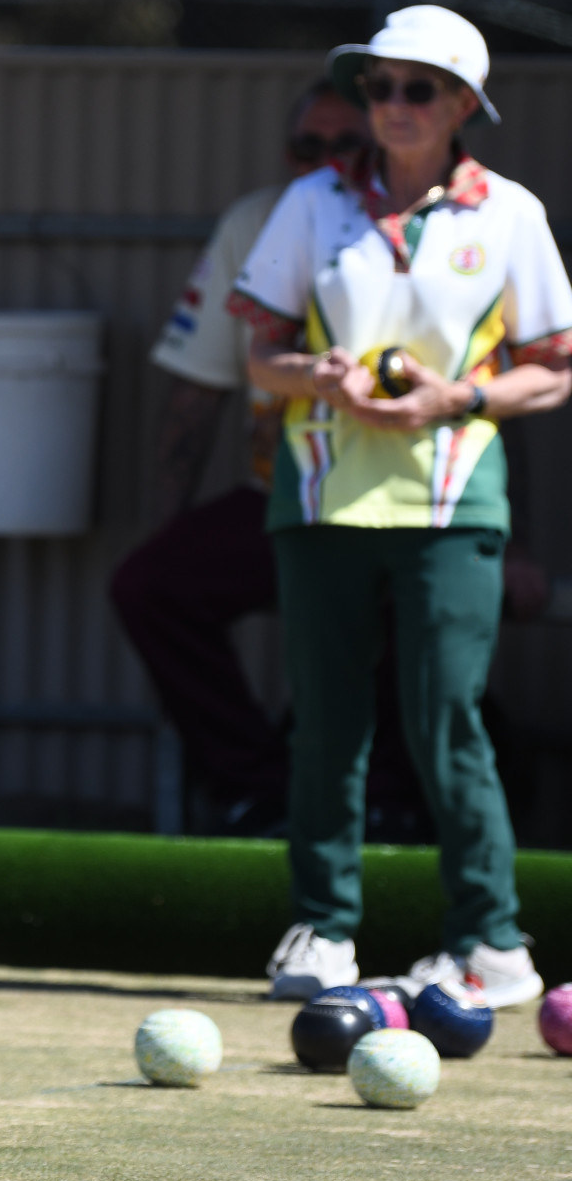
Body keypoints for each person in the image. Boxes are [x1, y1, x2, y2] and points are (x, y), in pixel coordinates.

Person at [229, 6, 572, 1006]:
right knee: (324, 724)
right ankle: (321, 931)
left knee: (442, 719)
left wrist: (453, 395)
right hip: (320, 497)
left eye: (416, 88)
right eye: (375, 86)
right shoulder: (307, 203)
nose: (390, 106)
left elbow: (551, 372)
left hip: (451, 503)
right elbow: (256, 355)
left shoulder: (506, 213)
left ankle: (489, 945)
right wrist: (317, 378)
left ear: (463, 103)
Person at [110, 81, 371, 835]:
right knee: (151, 583)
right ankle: (257, 789)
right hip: (278, 494)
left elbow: (482, 388)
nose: (324, 165)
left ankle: (382, 799)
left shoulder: (417, 226)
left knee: (406, 608)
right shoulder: (259, 224)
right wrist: (167, 524)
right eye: (306, 148)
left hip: (392, 506)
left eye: (345, 147)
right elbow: (200, 389)